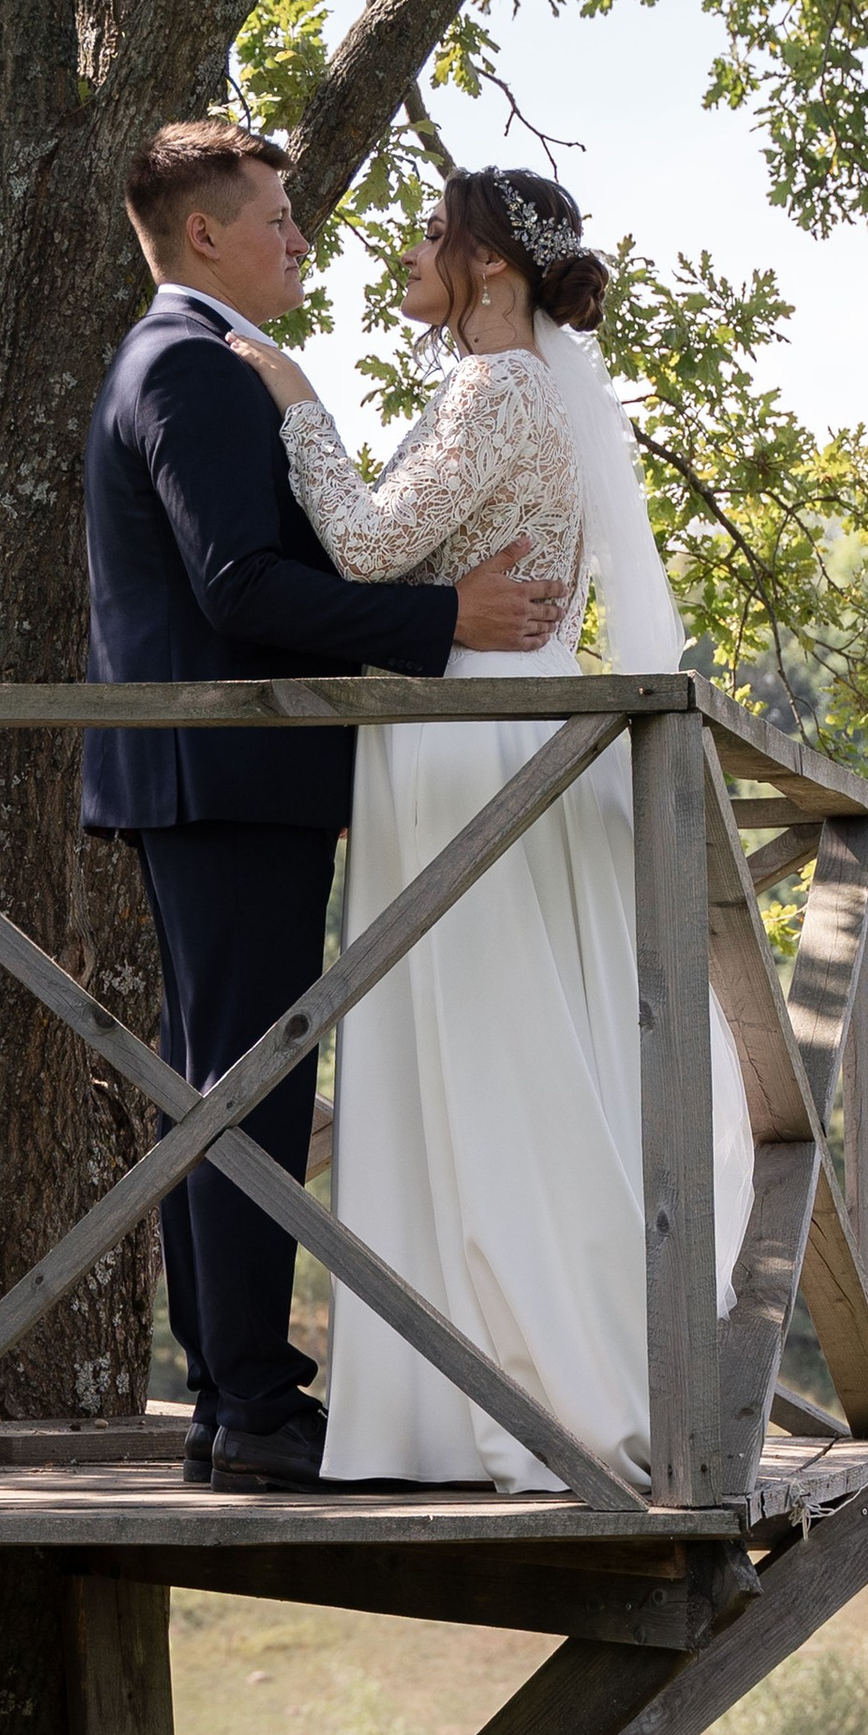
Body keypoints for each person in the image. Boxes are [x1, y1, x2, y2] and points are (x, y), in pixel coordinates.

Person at [225, 162, 755, 1494]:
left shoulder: (497, 389)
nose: (410, 254)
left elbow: (364, 546)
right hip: (503, 728)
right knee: (499, 1043)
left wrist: (298, 401)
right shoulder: (529, 392)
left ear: (495, 265)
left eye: (433, 234)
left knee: (486, 1051)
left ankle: (526, 1388)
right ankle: (487, 1381)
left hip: (471, 741)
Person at [82, 120, 571, 1494]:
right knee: (248, 1085)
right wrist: (443, 618)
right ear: (204, 235)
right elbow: (240, 585)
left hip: (222, 777)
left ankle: (226, 1395)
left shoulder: (194, 361)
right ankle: (250, 1401)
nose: (304, 239)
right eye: (279, 219)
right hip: (227, 776)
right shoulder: (193, 367)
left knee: (217, 1082)